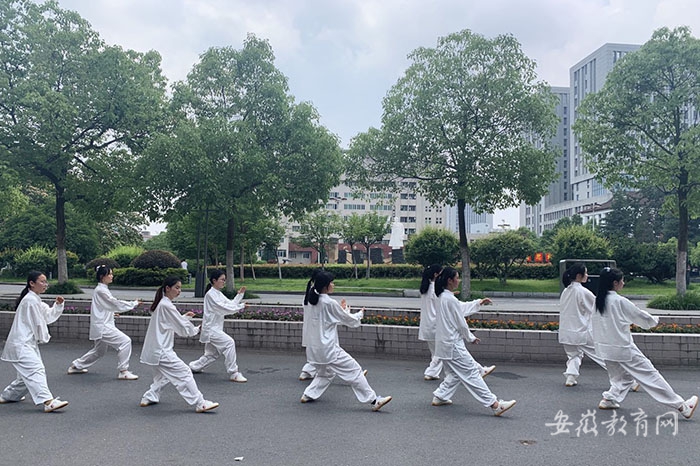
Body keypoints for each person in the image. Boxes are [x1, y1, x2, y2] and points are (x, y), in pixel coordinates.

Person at [592, 267, 697, 419]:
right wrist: (654, 320)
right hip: (623, 348)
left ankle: (609, 399)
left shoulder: (598, 301)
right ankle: (682, 406)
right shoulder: (619, 301)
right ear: (615, 283)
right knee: (650, 375)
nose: (623, 283)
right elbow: (641, 317)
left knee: (621, 377)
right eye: (622, 280)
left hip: (605, 348)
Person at [300, 270, 392, 411]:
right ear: (325, 286)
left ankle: (308, 394)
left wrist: (343, 310)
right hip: (329, 349)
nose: (333, 285)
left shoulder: (310, 301)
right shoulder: (329, 303)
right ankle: (374, 400)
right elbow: (348, 320)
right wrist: (359, 314)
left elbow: (331, 318)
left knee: (325, 373)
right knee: (355, 370)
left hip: (314, 349)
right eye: (331, 283)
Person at [431, 267, 516, 416]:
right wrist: (470, 337)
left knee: (456, 374)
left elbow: (459, 308)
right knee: (471, 373)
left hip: (444, 344)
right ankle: (495, 405)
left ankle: (441, 396)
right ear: (450, 280)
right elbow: (460, 322)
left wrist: (478, 303)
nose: (458, 280)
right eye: (457, 278)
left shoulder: (442, 297)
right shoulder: (449, 299)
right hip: (452, 344)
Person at [140, 276, 219, 413]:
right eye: (176, 288)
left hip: (155, 350)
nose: (179, 291)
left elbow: (170, 323)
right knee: (184, 372)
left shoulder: (162, 303)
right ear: (167, 288)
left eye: (180, 288)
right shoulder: (166, 305)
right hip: (161, 350)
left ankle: (150, 396)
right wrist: (196, 329)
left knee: (163, 376)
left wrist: (185, 318)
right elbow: (181, 327)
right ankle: (200, 403)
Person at [0, 271, 69, 412]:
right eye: (42, 281)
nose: (45, 284)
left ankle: (9, 395)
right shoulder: (30, 300)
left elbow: (47, 316)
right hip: (21, 344)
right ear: (32, 283)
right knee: (36, 369)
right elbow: (38, 322)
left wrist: (57, 305)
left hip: (26, 343)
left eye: (46, 281)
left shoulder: (35, 299)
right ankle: (48, 401)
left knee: (25, 376)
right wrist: (44, 337)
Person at [419, 264, 495, 381]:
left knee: (438, 354)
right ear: (436, 275)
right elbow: (458, 314)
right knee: (446, 354)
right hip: (438, 327)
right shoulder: (438, 292)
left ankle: (433, 373)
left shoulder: (426, 289)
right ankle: (478, 370)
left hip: (427, 326)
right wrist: (477, 303)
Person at [67, 265, 141, 380]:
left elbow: (104, 307)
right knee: (125, 341)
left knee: (99, 351)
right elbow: (114, 303)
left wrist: (111, 314)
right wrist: (133, 303)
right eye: (109, 274)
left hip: (102, 324)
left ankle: (76, 365)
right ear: (102, 276)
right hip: (103, 326)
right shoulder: (101, 290)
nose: (112, 276)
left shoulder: (102, 289)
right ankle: (123, 371)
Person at [189, 269, 247, 382]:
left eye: (224, 280)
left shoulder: (218, 294)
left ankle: (194, 367)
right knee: (229, 343)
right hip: (211, 329)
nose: (224, 282)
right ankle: (234, 373)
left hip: (214, 328)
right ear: (214, 280)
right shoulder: (210, 295)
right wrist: (241, 306)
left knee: (212, 354)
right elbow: (224, 308)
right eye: (222, 280)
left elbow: (230, 304)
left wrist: (239, 295)